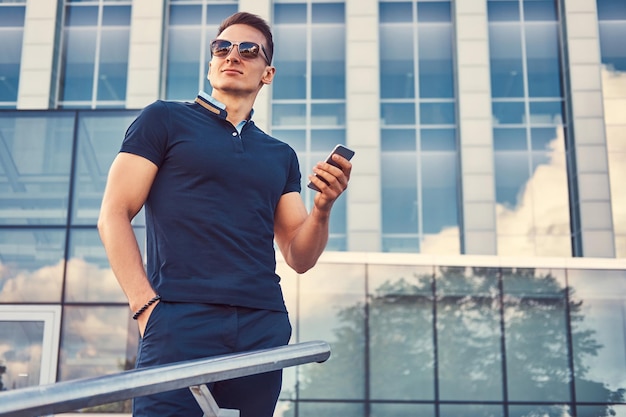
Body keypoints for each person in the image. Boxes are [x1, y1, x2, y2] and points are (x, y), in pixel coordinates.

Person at [97, 11, 351, 417]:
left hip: (261, 323)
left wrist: (323, 208)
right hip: (179, 317)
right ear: (211, 63)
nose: (233, 55)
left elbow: (299, 257)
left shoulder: (280, 154)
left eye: (249, 50)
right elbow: (113, 214)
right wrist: (146, 307)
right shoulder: (163, 119)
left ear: (267, 73)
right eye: (222, 48)